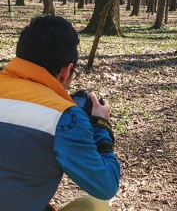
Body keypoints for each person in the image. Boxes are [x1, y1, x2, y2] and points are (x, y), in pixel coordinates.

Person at [0, 16, 120, 211]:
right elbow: (106, 185)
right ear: (66, 71)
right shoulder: (65, 117)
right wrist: (101, 126)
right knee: (95, 206)